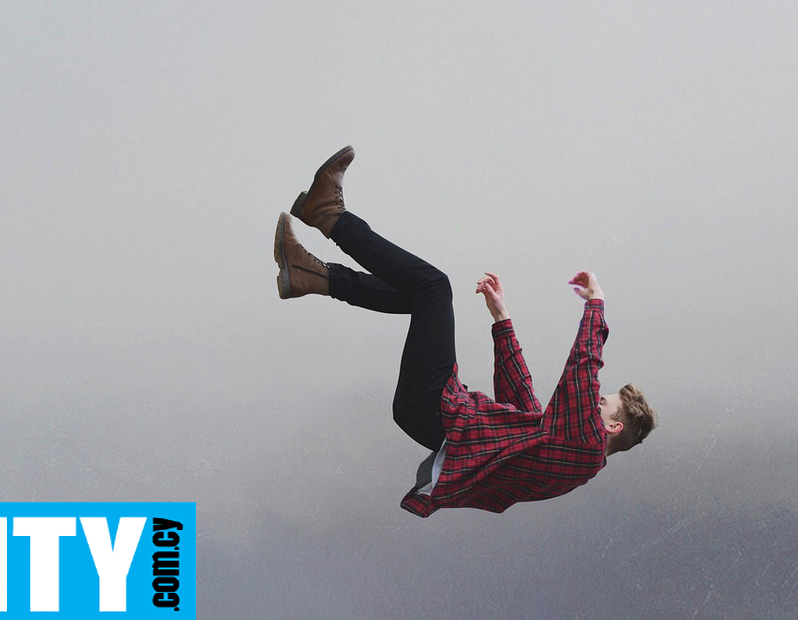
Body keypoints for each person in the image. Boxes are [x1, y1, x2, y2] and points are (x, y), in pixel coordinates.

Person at [274, 146, 657, 517]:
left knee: (433, 286)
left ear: (613, 426)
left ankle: (329, 216)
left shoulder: (587, 446)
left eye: (602, 403)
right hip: (433, 415)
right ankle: (311, 275)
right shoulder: (569, 453)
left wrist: (596, 305)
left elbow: (581, 371)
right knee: (419, 295)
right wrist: (502, 320)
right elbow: (523, 409)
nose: (594, 400)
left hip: (439, 412)